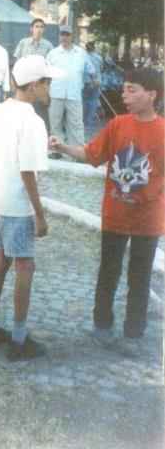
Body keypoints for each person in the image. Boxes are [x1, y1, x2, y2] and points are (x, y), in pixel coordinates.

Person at [49, 68, 164, 357]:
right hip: (115, 215)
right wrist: (62, 146)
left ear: (151, 95)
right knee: (108, 272)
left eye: (132, 89)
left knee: (139, 278)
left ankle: (133, 333)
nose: (124, 94)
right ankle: (102, 324)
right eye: (123, 89)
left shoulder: (162, 132)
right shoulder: (117, 125)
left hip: (147, 221)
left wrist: (150, 193)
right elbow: (92, 155)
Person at [0, 56, 62, 361]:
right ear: (35, 85)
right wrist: (39, 213)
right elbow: (27, 173)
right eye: (48, 83)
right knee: (25, 266)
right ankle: (19, 339)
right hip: (15, 203)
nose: (50, 88)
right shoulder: (33, 121)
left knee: (0, 262)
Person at [47, 26, 96, 157]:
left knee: (76, 123)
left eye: (67, 35)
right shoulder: (53, 53)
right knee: (55, 123)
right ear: (59, 36)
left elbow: (91, 70)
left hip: (74, 94)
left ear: (72, 36)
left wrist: (94, 80)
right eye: (62, 35)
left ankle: (77, 152)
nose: (64, 37)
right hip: (56, 93)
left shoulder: (81, 53)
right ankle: (56, 150)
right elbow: (46, 73)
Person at [12, 18, 54, 130]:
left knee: (40, 116)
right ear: (31, 28)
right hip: (24, 86)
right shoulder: (23, 43)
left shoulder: (49, 46)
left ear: (44, 29)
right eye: (36, 27)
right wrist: (15, 84)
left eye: (41, 27)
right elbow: (17, 64)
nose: (39, 29)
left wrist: (46, 93)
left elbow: (50, 68)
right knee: (21, 115)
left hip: (39, 86)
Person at [83, 42, 104, 127]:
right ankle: (90, 120)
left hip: (86, 80)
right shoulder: (99, 57)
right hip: (97, 80)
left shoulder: (83, 57)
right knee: (94, 100)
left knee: (84, 100)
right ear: (94, 48)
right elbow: (101, 68)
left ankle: (83, 119)